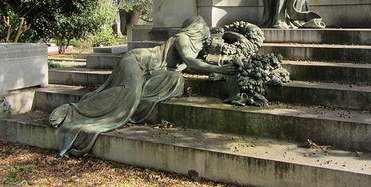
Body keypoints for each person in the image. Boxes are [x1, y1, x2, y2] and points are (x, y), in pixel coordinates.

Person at [49, 16, 235, 157]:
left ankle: (89, 108)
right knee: (129, 92)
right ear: (196, 28)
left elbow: (198, 60)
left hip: (149, 70)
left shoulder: (195, 45)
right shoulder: (182, 38)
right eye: (204, 29)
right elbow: (192, 64)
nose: (206, 33)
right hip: (136, 60)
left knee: (173, 78)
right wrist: (221, 68)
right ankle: (71, 111)